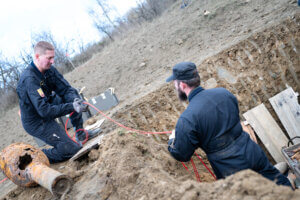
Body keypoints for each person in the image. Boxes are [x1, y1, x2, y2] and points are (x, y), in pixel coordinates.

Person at [166, 62, 292, 187]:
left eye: (175, 84)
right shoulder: (224, 93)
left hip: (228, 165)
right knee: (278, 182)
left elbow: (182, 154)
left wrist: (172, 141)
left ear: (182, 85)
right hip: (250, 150)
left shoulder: (187, 119)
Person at [16, 41, 97, 163]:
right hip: (37, 121)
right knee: (72, 149)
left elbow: (66, 89)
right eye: (49, 58)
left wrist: (74, 102)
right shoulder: (29, 80)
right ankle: (34, 156)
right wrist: (71, 106)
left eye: (53, 57)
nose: (52, 61)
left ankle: (80, 132)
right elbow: (44, 111)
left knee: (73, 95)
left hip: (48, 104)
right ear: (37, 57)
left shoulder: (49, 70)